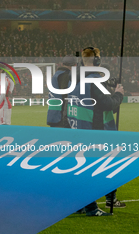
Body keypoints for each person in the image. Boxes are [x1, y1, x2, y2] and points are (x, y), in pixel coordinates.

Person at [67, 47, 126, 216]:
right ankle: (92, 208)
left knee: (83, 167)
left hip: (79, 128)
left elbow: (93, 105)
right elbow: (107, 104)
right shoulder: (94, 80)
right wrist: (118, 94)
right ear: (98, 62)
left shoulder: (75, 80)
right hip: (96, 131)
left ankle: (79, 205)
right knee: (97, 169)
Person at [47, 55, 76, 128]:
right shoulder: (65, 76)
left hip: (53, 113)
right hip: (60, 116)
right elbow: (66, 95)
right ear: (74, 65)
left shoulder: (56, 75)